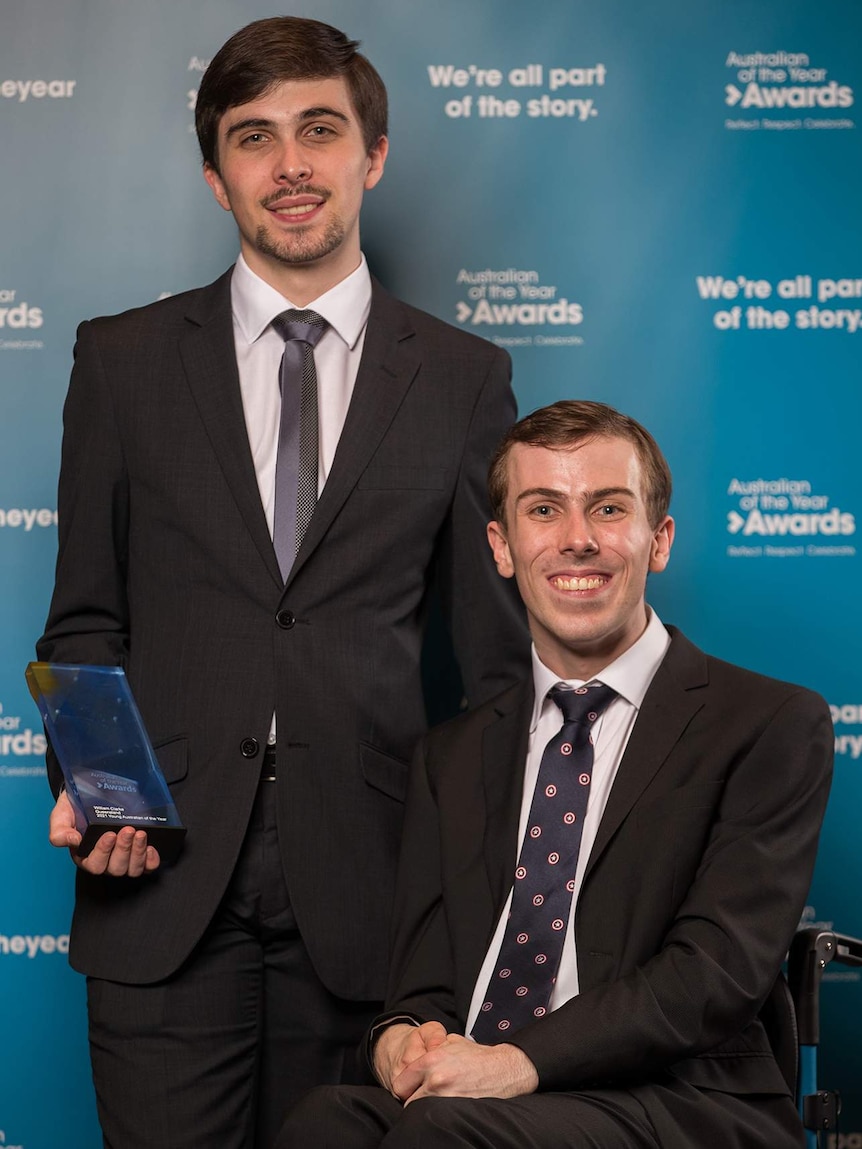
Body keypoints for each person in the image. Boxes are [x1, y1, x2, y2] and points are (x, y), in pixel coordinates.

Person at [36, 16, 526, 1149]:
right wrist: (107, 794)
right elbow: (85, 618)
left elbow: (496, 664)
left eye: (320, 129)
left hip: (373, 895)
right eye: (254, 139)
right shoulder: (120, 362)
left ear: (375, 155)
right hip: (160, 882)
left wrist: (480, 892)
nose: (290, 165)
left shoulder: (461, 377)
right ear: (216, 178)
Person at [279, 400, 834, 1149]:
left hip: (677, 1101)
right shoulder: (453, 755)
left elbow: (713, 976)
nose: (578, 540)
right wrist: (401, 1040)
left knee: (439, 1138)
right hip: (476, 1098)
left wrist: (515, 1062)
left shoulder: (767, 724)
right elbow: (423, 985)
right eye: (544, 509)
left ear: (658, 539)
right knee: (326, 1126)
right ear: (502, 545)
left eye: (608, 508)